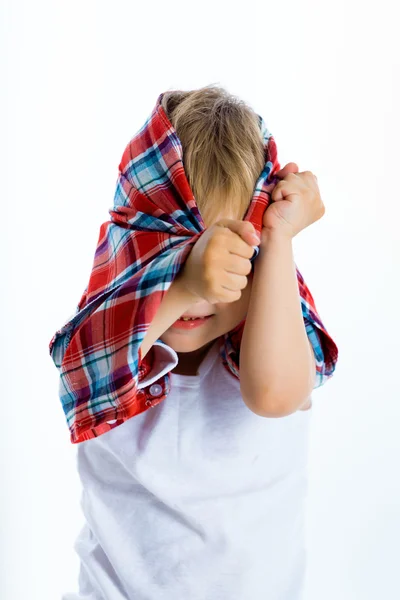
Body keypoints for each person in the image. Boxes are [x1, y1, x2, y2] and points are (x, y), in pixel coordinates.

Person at [53, 85, 338, 600]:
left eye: (227, 253)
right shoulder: (111, 340)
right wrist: (181, 282)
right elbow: (81, 372)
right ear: (134, 252)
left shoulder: (272, 335)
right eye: (177, 249)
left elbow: (274, 395)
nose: (209, 276)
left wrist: (279, 237)